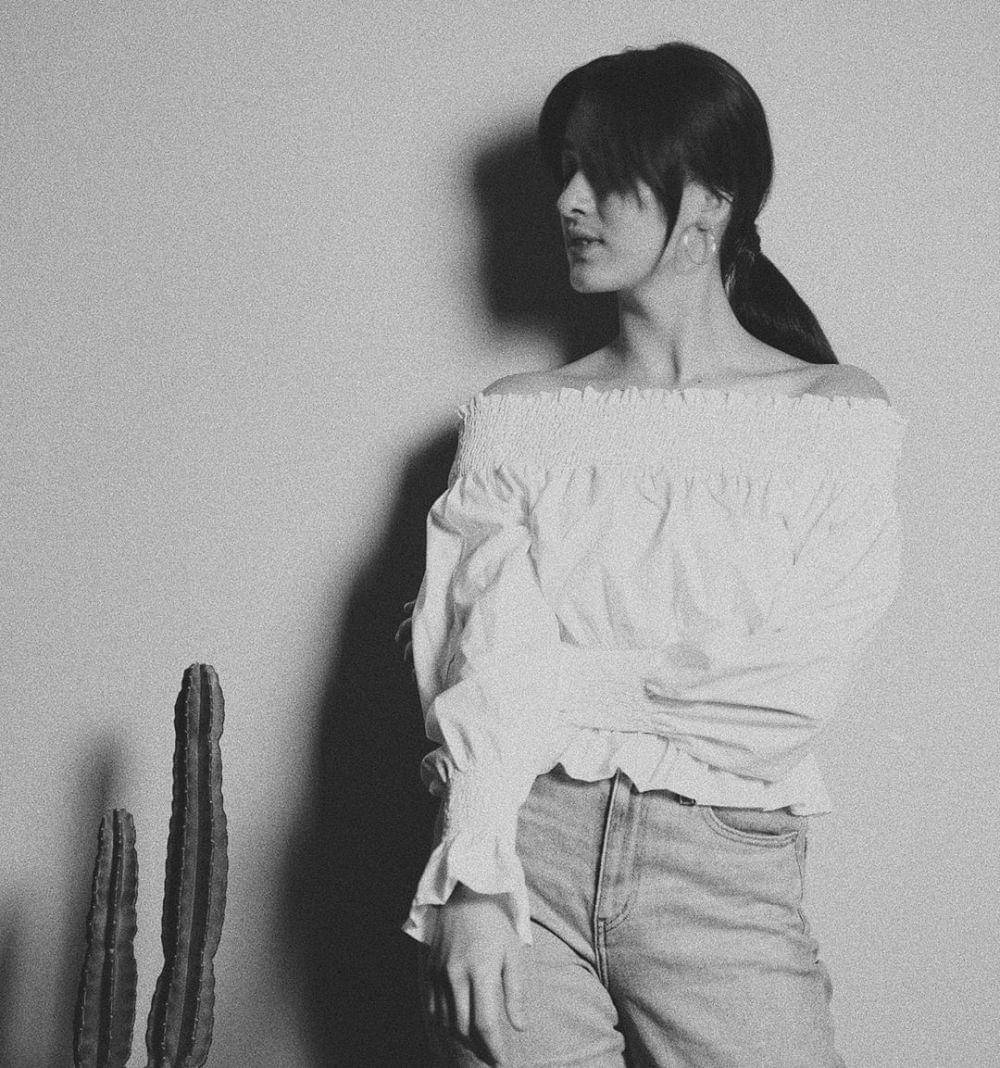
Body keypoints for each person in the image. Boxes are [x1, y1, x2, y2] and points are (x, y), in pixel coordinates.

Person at [395, 41, 908, 1067]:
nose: (568, 201)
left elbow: (778, 702)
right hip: (518, 850)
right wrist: (473, 874)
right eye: (565, 170)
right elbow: (469, 657)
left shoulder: (832, 415)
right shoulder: (520, 419)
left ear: (710, 200)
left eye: (606, 172)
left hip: (721, 873)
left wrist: (550, 680)